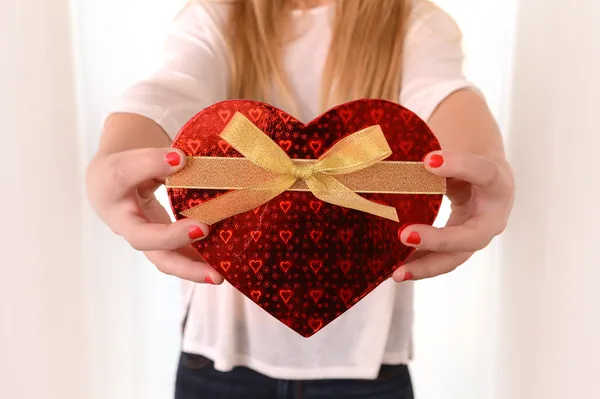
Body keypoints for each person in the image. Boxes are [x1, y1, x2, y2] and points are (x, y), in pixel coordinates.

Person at [86, 0, 514, 397]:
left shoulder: (412, 22)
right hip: (217, 365)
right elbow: (171, 89)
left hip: (365, 371)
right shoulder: (219, 15)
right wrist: (116, 158)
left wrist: (480, 160)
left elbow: (442, 92)